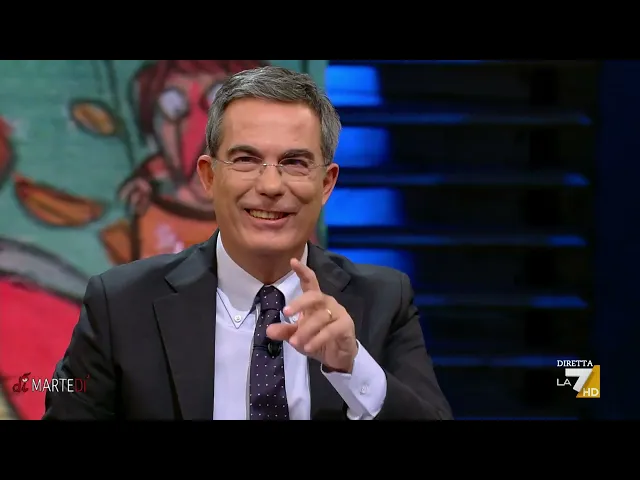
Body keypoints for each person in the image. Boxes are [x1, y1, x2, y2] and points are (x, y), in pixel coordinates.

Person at [43, 65, 453, 420]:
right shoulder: (121, 305)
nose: (270, 185)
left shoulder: (384, 301)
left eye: (295, 162)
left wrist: (353, 366)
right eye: (246, 160)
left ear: (326, 184)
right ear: (209, 176)